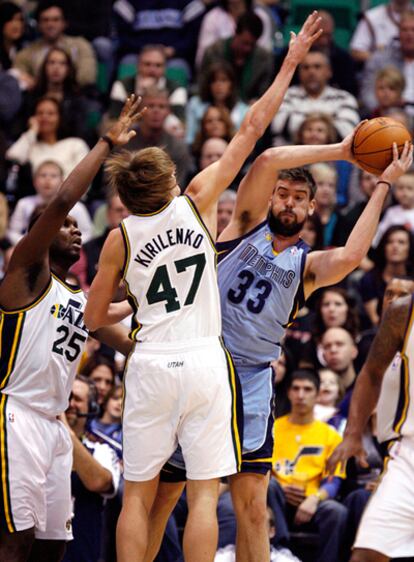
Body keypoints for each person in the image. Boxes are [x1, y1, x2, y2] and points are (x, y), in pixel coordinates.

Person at [83, 14, 325, 562]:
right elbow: (252, 130)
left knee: (138, 500)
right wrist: (288, 61)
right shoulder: (196, 202)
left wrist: (136, 340)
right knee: (202, 496)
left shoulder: (119, 238)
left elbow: (97, 318)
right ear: (167, 183)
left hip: (152, 363)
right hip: (204, 362)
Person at [145, 77, 413, 562]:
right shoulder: (242, 224)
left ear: (311, 208)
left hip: (251, 381)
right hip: (202, 363)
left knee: (251, 504)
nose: (287, 201)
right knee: (169, 495)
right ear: (271, 200)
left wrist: (382, 186)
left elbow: (353, 255)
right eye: (282, 195)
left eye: (297, 198)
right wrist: (340, 151)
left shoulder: (307, 267)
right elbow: (267, 160)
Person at [0, 96, 142, 562]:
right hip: (16, 414)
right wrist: (106, 143)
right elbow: (62, 199)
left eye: (81, 227)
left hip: (57, 426)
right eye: (68, 227)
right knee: (15, 542)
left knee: (52, 546)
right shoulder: (25, 273)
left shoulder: (82, 302)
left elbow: (129, 343)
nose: (76, 230)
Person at [327, 278, 414, 562]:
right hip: (407, 453)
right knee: (366, 554)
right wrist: (352, 434)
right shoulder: (403, 313)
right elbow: (371, 373)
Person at [269, 369, 347, 562]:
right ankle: (281, 552)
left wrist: (315, 498)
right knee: (269, 486)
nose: (301, 395)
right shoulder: (273, 428)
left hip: (311, 500)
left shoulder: (331, 435)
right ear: (288, 392)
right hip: (276, 497)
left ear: (317, 393)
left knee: (337, 512)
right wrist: (282, 488)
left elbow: (334, 481)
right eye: (296, 389)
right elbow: (261, 472)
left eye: (307, 389)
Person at [62, 375, 121, 562]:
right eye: (66, 396)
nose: (69, 403)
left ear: (92, 407)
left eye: (77, 399)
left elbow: (99, 482)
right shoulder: (37, 444)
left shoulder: (102, 449)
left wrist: (65, 431)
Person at [271, 49, 360, 145]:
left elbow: (348, 131)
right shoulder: (285, 95)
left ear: (329, 71)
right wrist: (326, 124)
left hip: (330, 157)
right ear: (299, 72)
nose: (311, 72)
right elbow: (279, 126)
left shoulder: (344, 98)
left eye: (317, 67)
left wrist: (304, 124)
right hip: (290, 156)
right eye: (306, 67)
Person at [12, 0, 97, 89]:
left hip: (75, 97)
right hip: (38, 98)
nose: (50, 24)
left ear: (64, 23)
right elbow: (16, 76)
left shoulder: (81, 46)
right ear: (38, 25)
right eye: (45, 20)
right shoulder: (26, 53)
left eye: (56, 20)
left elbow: (87, 78)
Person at [7, 160, 93, 245]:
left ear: (62, 182)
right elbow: (13, 232)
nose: (47, 180)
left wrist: (68, 244)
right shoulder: (24, 203)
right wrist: (27, 244)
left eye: (53, 176)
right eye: (43, 175)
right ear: (34, 181)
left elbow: (87, 234)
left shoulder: (77, 207)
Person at [6, 96, 90, 179]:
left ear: (60, 118)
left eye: (51, 113)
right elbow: (14, 157)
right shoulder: (32, 146)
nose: (44, 117)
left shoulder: (76, 144)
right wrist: (32, 131)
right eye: (40, 113)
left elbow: (85, 178)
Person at [199, 12, 274, 103]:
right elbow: (202, 85)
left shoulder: (264, 59)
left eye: (252, 45)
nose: (248, 49)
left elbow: (264, 92)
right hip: (215, 105)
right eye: (245, 43)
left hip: (248, 108)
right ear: (236, 33)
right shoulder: (213, 52)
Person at [360, 10, 414, 113]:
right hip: (387, 117)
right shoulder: (379, 59)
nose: (409, 34)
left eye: (413, 30)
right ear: (398, 33)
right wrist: (384, 113)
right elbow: (368, 94)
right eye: (405, 30)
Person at [360, 225, 414, 326]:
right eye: (389, 242)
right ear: (384, 247)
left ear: (410, 248)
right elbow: (375, 320)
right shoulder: (369, 279)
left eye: (401, 242)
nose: (395, 246)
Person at [186, 61, 248, 145]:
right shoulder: (195, 105)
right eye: (214, 81)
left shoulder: (244, 110)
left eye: (223, 80)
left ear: (231, 84)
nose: (219, 85)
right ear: (208, 85)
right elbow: (190, 139)